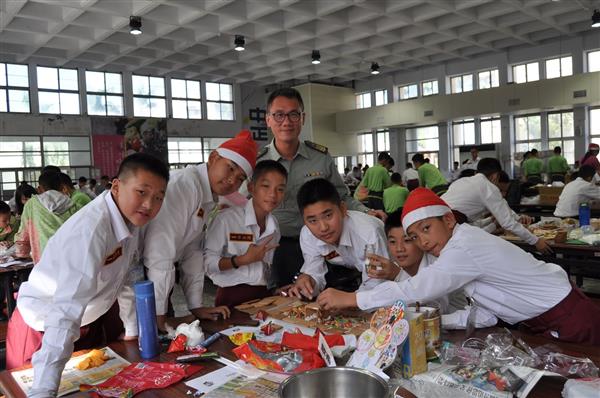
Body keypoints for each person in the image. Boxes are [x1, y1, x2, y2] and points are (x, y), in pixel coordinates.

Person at [319, 188, 600, 344]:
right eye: (415, 236)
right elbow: (487, 314)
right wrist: (426, 322)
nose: (424, 241)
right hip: (542, 321)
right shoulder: (460, 250)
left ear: (449, 221)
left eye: (427, 228)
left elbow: (418, 288)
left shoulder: (463, 246)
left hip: (570, 318)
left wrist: (352, 298)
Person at [6, 153, 169, 396]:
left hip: (80, 326)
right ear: (116, 186)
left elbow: (124, 278)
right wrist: (43, 389)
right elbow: (65, 311)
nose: (149, 205)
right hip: (42, 332)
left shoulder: (131, 222)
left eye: (158, 197)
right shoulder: (92, 230)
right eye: (142, 192)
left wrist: (133, 331)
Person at [257, 87, 385, 288]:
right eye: (279, 115)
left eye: (293, 114)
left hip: (322, 242)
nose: (287, 122)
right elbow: (242, 207)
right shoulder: (258, 164)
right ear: (268, 119)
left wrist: (367, 212)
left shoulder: (320, 157)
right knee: (284, 301)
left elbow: (342, 196)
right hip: (280, 247)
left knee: (326, 300)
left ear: (303, 117)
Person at [143, 130, 256, 331]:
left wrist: (196, 306)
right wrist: (158, 315)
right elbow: (160, 253)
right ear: (213, 157)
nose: (232, 181)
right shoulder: (185, 186)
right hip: (143, 278)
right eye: (230, 168)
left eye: (240, 178)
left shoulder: (208, 198)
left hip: (157, 278)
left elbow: (191, 250)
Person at [287, 178, 391, 300]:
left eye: (328, 215)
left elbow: (377, 285)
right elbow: (314, 271)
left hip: (397, 278)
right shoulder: (308, 234)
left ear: (342, 209)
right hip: (354, 276)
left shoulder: (368, 233)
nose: (323, 227)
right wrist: (308, 282)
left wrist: (347, 300)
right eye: (312, 220)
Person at [205, 160, 287, 307]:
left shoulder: (273, 226)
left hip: (263, 296)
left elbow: (265, 268)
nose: (273, 194)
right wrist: (241, 260)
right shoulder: (226, 220)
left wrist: (274, 290)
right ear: (251, 188)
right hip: (230, 297)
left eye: (280, 189)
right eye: (266, 186)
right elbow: (206, 263)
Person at [441, 158, 551, 253]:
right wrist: (536, 241)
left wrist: (518, 218)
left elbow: (503, 207)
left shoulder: (461, 181)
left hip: (437, 222)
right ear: (495, 176)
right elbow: (508, 223)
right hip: (449, 229)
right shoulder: (488, 186)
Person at [14, 172, 80, 264]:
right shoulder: (73, 206)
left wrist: (22, 253)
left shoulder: (32, 204)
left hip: (43, 260)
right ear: (62, 187)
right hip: (70, 258)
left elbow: (23, 235)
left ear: (40, 188)